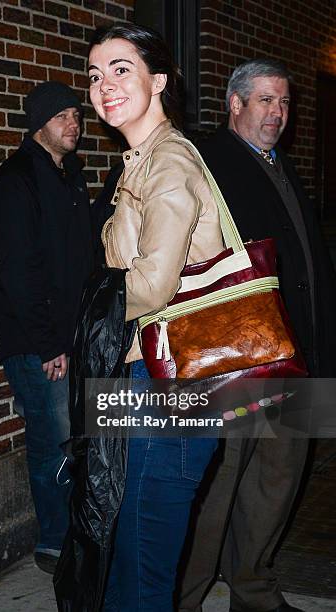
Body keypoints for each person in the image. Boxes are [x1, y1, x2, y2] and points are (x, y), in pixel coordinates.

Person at [178, 59, 336, 612]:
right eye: (265, 100)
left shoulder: (282, 164)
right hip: (241, 362)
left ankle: (253, 590)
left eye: (285, 103)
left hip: (298, 354)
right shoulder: (206, 162)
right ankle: (185, 596)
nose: (277, 113)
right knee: (217, 489)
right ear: (235, 104)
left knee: (276, 484)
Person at [79, 22, 226, 611]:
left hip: (170, 383)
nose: (104, 85)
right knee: (124, 553)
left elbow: (152, 284)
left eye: (121, 70)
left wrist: (84, 311)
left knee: (140, 572)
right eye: (94, 75)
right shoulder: (139, 162)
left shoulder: (168, 162)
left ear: (158, 80)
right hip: (148, 374)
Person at [0, 81, 94, 574]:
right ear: (40, 124)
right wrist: (49, 343)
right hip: (37, 342)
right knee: (53, 440)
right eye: (64, 116)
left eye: (77, 115)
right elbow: (18, 269)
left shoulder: (71, 174)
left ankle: (75, 533)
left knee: (75, 439)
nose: (75, 124)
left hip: (70, 336)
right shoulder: (16, 179)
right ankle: (54, 542)